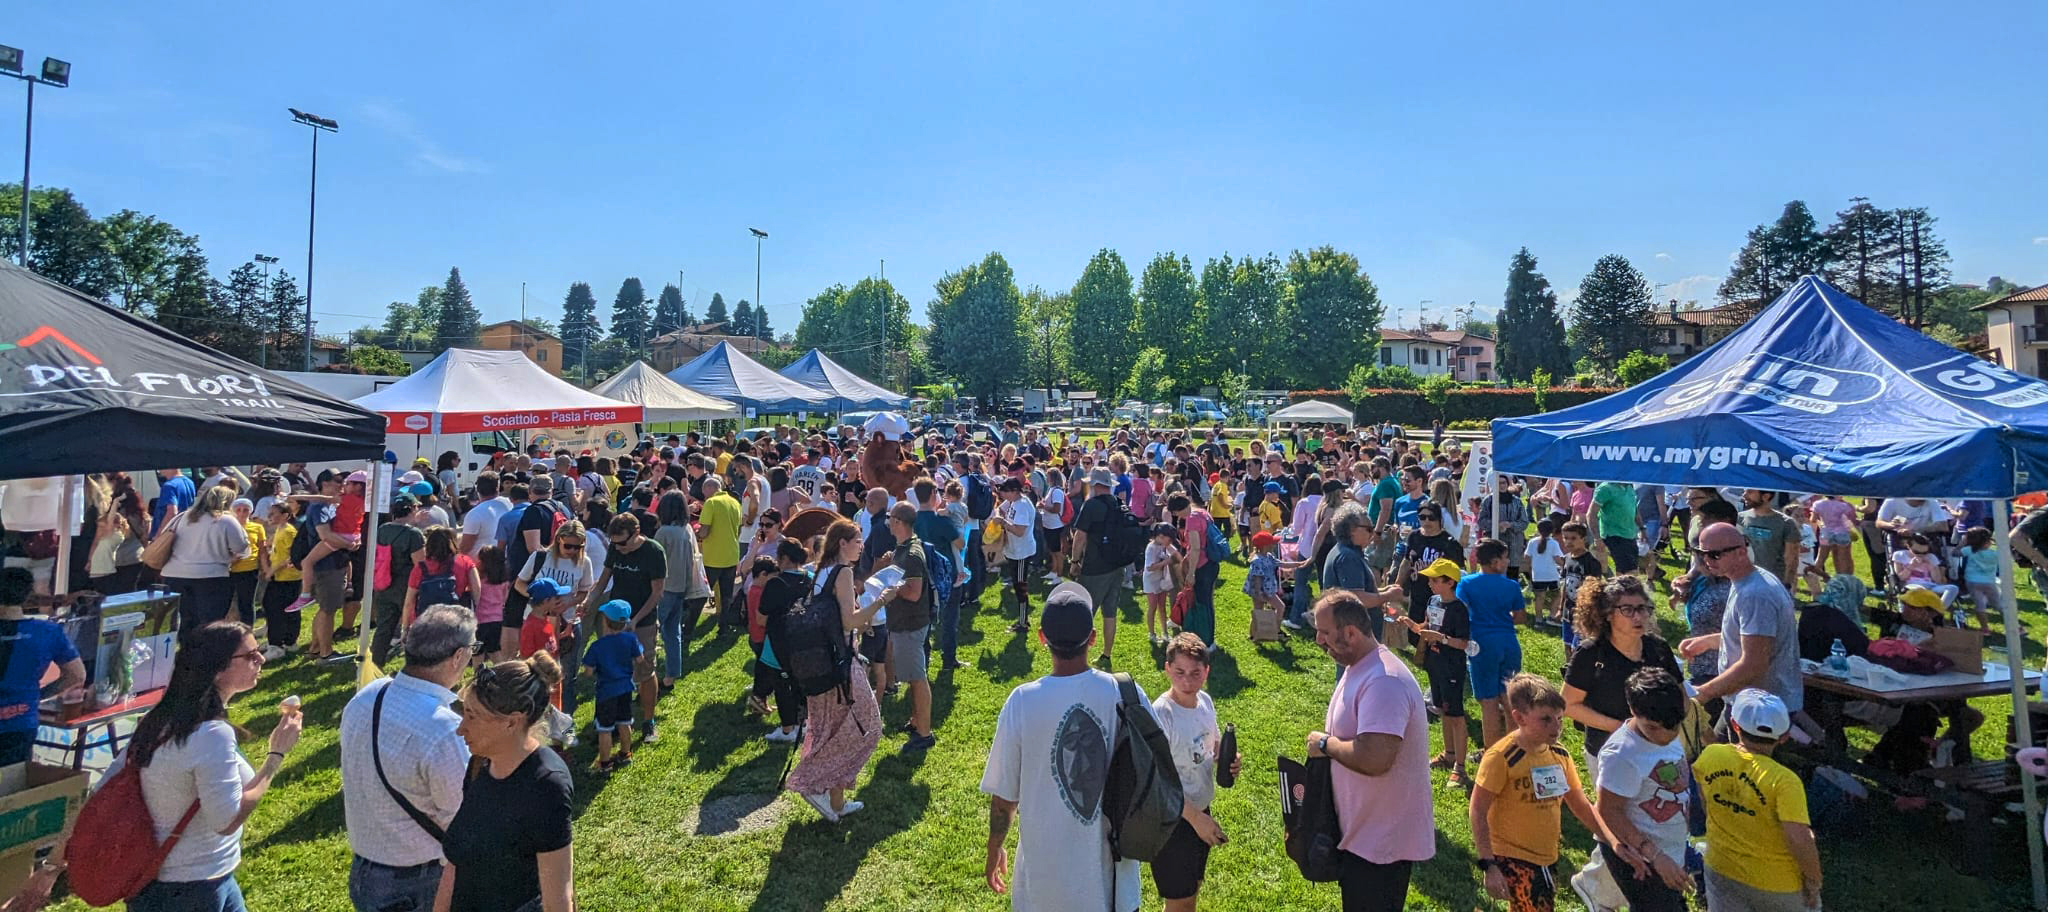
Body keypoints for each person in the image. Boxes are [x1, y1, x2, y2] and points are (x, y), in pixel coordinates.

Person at [110, 621, 302, 911]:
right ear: (218, 669)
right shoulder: (212, 734)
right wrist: (276, 756)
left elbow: (106, 785)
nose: (261, 659)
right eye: (250, 656)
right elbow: (226, 821)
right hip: (190, 888)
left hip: (188, 878)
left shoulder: (161, 719)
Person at [980, 582, 1145, 911]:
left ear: (1042, 638)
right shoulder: (1126, 693)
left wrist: (994, 847)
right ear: (1093, 638)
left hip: (1045, 882)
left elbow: (1004, 799)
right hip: (1114, 881)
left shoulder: (1023, 702)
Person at [338, 605, 475, 912]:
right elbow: (462, 819)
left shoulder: (365, 697)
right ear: (458, 657)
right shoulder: (444, 729)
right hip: (419, 881)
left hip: (366, 869)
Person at [1307, 590, 1434, 910]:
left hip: (1381, 845)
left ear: (1350, 633)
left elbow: (1375, 757)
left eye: (1324, 633)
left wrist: (1325, 744)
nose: (1318, 641)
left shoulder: (1384, 681)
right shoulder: (1361, 666)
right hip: (1364, 836)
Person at [442, 653, 574, 912]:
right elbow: (455, 864)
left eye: (473, 716)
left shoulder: (546, 786)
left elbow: (559, 899)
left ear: (512, 722)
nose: (461, 728)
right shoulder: (480, 765)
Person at [1471, 674, 1603, 912]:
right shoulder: (1502, 757)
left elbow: (1579, 803)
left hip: (1547, 859)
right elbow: (1478, 809)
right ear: (1519, 718)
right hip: (1513, 859)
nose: (1556, 727)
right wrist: (1488, 864)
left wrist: (1611, 840)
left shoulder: (1559, 755)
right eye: (1545, 720)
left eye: (1559, 719)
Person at [787, 522, 885, 821]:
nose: (861, 546)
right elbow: (849, 622)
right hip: (840, 664)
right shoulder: (842, 572)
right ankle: (811, 782)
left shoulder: (820, 570)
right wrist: (882, 602)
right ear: (843, 543)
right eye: (858, 540)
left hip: (821, 664)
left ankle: (836, 802)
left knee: (830, 730)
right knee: (867, 727)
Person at [1695, 689, 1823, 912]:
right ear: (1784, 737)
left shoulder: (1711, 755)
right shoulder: (1784, 781)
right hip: (1778, 885)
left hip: (1721, 869)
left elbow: (1706, 804)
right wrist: (1814, 880)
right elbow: (1799, 839)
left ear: (1734, 725)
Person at [1584, 667, 1692, 912]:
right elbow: (1608, 812)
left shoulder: (1665, 722)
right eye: (1654, 728)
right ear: (1633, 710)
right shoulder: (1622, 754)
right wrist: (1654, 856)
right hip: (1642, 859)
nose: (1666, 736)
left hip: (1669, 851)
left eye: (1674, 726)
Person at [1151, 633, 1240, 912]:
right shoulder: (1162, 715)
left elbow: (1209, 746)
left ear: (1207, 672)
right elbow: (1157, 783)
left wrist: (1226, 759)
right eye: (1179, 672)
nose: (1187, 682)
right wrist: (1196, 820)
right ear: (1167, 669)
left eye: (1195, 673)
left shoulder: (1204, 702)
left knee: (1191, 890)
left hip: (1201, 810)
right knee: (1181, 902)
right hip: (1174, 821)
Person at [1679, 523, 1803, 719]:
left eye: (1714, 554)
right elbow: (1755, 636)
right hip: (1750, 701)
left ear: (1741, 552)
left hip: (1760, 710)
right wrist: (1708, 642)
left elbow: (1753, 664)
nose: (1706, 560)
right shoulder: (1749, 580)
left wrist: (1702, 694)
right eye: (1700, 553)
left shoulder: (1755, 595)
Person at [1563, 576, 1684, 771]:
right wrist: (1625, 729)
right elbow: (1569, 705)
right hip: (1609, 751)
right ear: (1608, 614)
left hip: (1658, 750)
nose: (1638, 617)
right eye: (1627, 610)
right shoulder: (1591, 653)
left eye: (1642, 608)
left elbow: (1680, 696)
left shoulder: (1658, 648)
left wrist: (1663, 731)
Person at [586, 514, 665, 742]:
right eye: (614, 543)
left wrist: (636, 620)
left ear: (637, 532)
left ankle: (648, 721)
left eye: (622, 542)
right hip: (614, 618)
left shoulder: (654, 552)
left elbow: (657, 592)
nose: (618, 548)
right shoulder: (615, 547)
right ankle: (612, 719)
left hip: (643, 620)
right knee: (612, 671)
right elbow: (603, 579)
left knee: (645, 670)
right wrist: (589, 601)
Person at [1398, 559, 1471, 789]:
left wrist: (1443, 639)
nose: (1429, 583)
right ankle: (1448, 754)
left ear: (1451, 582)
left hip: (1452, 666)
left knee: (1456, 715)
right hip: (1434, 663)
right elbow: (1426, 627)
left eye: (1435, 580)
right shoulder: (1432, 601)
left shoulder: (1459, 609)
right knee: (1442, 711)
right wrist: (1411, 624)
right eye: (1429, 578)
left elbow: (1463, 644)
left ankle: (1460, 766)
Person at [0, 569, 83, 764]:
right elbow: (77, 675)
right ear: (27, 596)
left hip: (19, 723)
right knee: (13, 787)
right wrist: (39, 696)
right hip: (21, 722)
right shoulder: (48, 631)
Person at [514, 523, 596, 715]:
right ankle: (537, 716)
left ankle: (564, 720)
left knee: (565, 675)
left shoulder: (584, 563)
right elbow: (519, 584)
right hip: (538, 621)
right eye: (568, 546)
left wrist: (568, 604)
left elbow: (584, 590)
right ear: (559, 539)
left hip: (567, 623)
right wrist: (541, 602)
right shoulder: (541, 556)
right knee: (537, 672)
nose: (572, 551)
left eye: (577, 547)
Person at [1459, 539, 1527, 748]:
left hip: (1481, 644)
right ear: (1496, 561)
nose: (1507, 562)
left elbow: (1460, 612)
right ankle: (1513, 748)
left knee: (1488, 702)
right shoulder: (1512, 586)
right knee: (1509, 700)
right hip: (1508, 642)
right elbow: (1521, 617)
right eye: (1505, 558)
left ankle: (1492, 753)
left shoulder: (1467, 584)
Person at [881, 502, 937, 752]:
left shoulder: (912, 554)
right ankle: (916, 721)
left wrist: (891, 586)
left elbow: (914, 593)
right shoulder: (903, 548)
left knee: (917, 678)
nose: (888, 522)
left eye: (890, 518)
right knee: (913, 677)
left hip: (911, 624)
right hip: (904, 623)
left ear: (899, 522)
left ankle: (924, 734)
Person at [652, 492, 710, 689]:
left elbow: (657, 561)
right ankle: (672, 674)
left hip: (664, 587)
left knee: (654, 628)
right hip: (681, 586)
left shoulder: (664, 532)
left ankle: (646, 674)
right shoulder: (686, 530)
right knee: (673, 631)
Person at [1070, 468, 1129, 663]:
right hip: (1117, 565)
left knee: (1086, 611)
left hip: (1095, 566)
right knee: (1110, 612)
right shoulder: (1119, 504)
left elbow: (1080, 536)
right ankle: (1106, 653)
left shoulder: (1091, 505)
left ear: (1094, 484)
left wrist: (1074, 561)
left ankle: (1079, 655)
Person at [582, 600, 641, 772]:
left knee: (605, 728)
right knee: (624, 722)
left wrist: (591, 671)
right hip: (625, 688)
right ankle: (625, 754)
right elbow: (640, 659)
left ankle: (605, 763)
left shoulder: (597, 646)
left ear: (605, 621)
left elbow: (588, 671)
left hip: (606, 691)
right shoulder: (630, 639)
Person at [370, 497, 429, 668]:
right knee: (412, 628)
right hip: (407, 587)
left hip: (384, 583)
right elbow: (420, 564)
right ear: (411, 509)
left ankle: (375, 664)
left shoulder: (382, 529)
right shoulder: (414, 534)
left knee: (384, 627)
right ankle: (413, 667)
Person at [698, 476, 744, 634]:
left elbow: (704, 531)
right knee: (726, 596)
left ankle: (689, 627)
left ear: (708, 489)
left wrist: (697, 533)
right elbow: (739, 529)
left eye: (704, 491)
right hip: (731, 555)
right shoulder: (735, 502)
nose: (704, 495)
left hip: (713, 557)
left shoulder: (711, 503)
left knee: (702, 592)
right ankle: (724, 627)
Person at [258, 503, 302, 661]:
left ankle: (278, 644)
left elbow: (291, 556)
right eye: (269, 513)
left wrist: (271, 571)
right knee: (273, 607)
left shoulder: (289, 531)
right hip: (281, 577)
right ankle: (284, 640)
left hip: (288, 577)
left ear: (285, 515)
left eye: (274, 513)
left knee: (276, 608)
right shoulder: (280, 529)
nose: (270, 517)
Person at [1738, 489, 1802, 588]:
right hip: (1744, 581)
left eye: (1749, 492)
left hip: (1774, 583)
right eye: (1744, 491)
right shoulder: (1739, 519)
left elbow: (1792, 557)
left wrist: (1787, 584)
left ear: (1766, 496)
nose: (1744, 495)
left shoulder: (1786, 523)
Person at [997, 477, 1038, 631]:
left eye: (1006, 491)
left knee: (1020, 587)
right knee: (1016, 584)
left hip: (1022, 552)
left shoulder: (1022, 505)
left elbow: (1020, 531)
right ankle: (1022, 620)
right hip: (1014, 550)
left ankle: (1023, 622)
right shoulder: (1014, 501)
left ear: (1014, 491)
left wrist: (1004, 523)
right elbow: (1000, 508)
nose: (1003, 494)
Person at [225, 499, 266, 627]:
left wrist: (264, 568)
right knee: (226, 602)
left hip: (249, 569)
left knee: (247, 603)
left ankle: (248, 631)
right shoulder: (227, 526)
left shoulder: (257, 527)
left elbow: (262, 549)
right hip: (229, 569)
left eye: (245, 510)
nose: (242, 513)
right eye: (238, 510)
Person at [1144, 523, 1181, 645]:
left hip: (1161, 580)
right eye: (1168, 539)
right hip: (1151, 581)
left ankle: (1165, 633)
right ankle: (1152, 633)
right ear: (1160, 536)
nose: (1170, 542)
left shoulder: (1164, 545)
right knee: (1152, 607)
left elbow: (1177, 556)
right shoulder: (1151, 548)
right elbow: (1150, 567)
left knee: (1162, 607)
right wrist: (1166, 562)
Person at [1592, 481, 1640, 574]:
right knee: (1630, 572)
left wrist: (1642, 528)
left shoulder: (1629, 488)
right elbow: (1591, 514)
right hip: (1613, 535)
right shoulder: (1605, 488)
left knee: (1625, 570)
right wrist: (1597, 538)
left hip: (1630, 535)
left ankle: (1619, 588)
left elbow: (1635, 510)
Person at [458, 471, 510, 556]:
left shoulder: (475, 514)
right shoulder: (509, 504)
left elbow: (465, 547)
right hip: (505, 558)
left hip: (481, 564)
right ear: (497, 487)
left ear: (477, 489)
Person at [475, 544, 513, 660]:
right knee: (495, 651)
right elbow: (504, 599)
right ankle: (501, 673)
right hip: (497, 619)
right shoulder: (504, 582)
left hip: (480, 621)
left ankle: (478, 675)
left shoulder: (480, 582)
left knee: (477, 653)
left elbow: (475, 596)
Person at [1524, 519, 1564, 626]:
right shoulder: (1553, 543)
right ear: (1553, 530)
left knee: (1539, 598)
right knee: (1558, 595)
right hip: (1551, 575)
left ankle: (1538, 620)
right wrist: (1564, 565)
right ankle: (1552, 616)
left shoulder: (1532, 542)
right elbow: (1557, 559)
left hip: (1537, 575)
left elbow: (1526, 558)